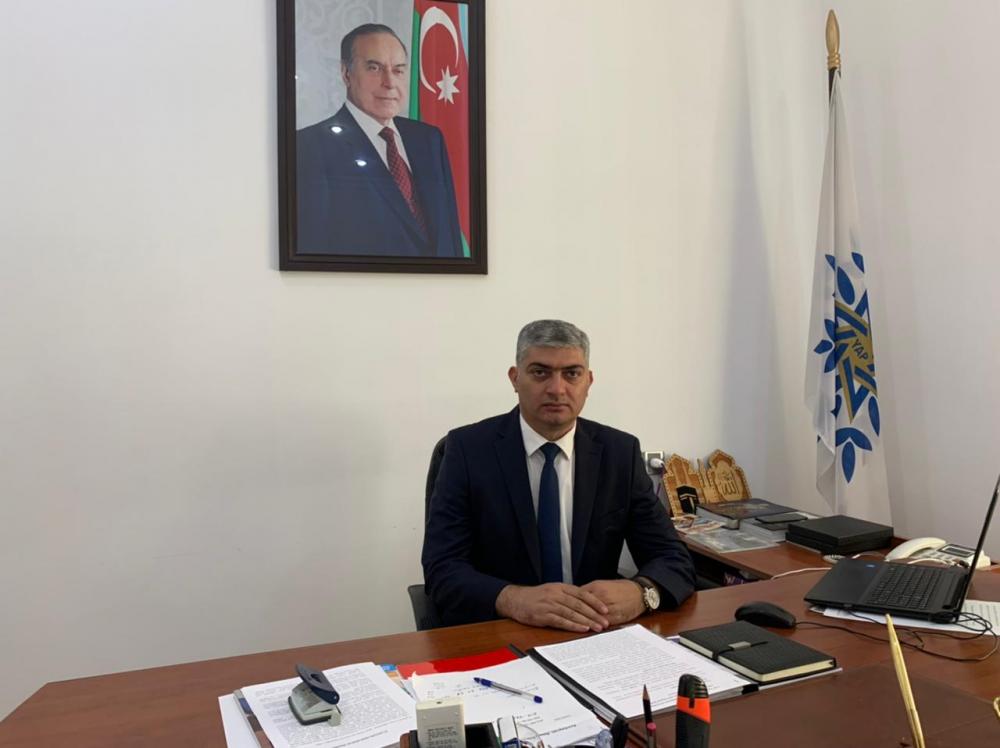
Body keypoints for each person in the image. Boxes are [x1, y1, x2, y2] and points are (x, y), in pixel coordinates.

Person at [422, 320, 695, 630]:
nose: (556, 389)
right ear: (515, 378)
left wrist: (642, 593)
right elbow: (442, 568)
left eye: (572, 374)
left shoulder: (619, 452)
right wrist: (513, 599)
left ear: (588, 381)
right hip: (502, 629)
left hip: (593, 630)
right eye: (540, 372)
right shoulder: (467, 450)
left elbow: (672, 556)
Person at [296, 23, 464, 258]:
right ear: (346, 73)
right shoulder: (309, 147)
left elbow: (450, 236)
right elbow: (314, 250)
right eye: (374, 68)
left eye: (398, 70)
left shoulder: (429, 139)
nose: (390, 82)